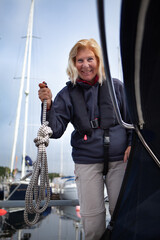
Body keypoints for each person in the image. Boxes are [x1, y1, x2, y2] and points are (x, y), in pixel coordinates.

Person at [38, 38, 132, 240]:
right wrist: (47, 105)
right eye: (80, 60)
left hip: (120, 162)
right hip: (87, 161)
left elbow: (132, 121)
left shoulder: (116, 87)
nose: (85, 65)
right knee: (93, 222)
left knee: (124, 218)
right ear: (73, 63)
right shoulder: (67, 94)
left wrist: (132, 145)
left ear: (98, 61)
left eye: (90, 59)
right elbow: (54, 130)